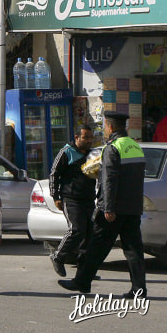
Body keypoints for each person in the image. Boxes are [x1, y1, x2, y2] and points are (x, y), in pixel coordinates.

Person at [58, 111, 147, 298]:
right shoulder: (135, 146)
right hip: (133, 208)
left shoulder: (112, 148)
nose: (105, 129)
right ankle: (139, 289)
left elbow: (109, 180)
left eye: (106, 126)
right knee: (133, 250)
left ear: (110, 127)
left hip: (114, 209)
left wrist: (108, 207)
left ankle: (81, 282)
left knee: (96, 247)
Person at [48, 124, 95, 277]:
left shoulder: (93, 153)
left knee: (89, 234)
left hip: (88, 199)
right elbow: (54, 174)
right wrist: (55, 196)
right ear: (77, 137)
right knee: (76, 229)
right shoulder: (66, 152)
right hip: (71, 198)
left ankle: (84, 270)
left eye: (90, 137)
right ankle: (58, 256)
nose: (89, 140)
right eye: (85, 137)